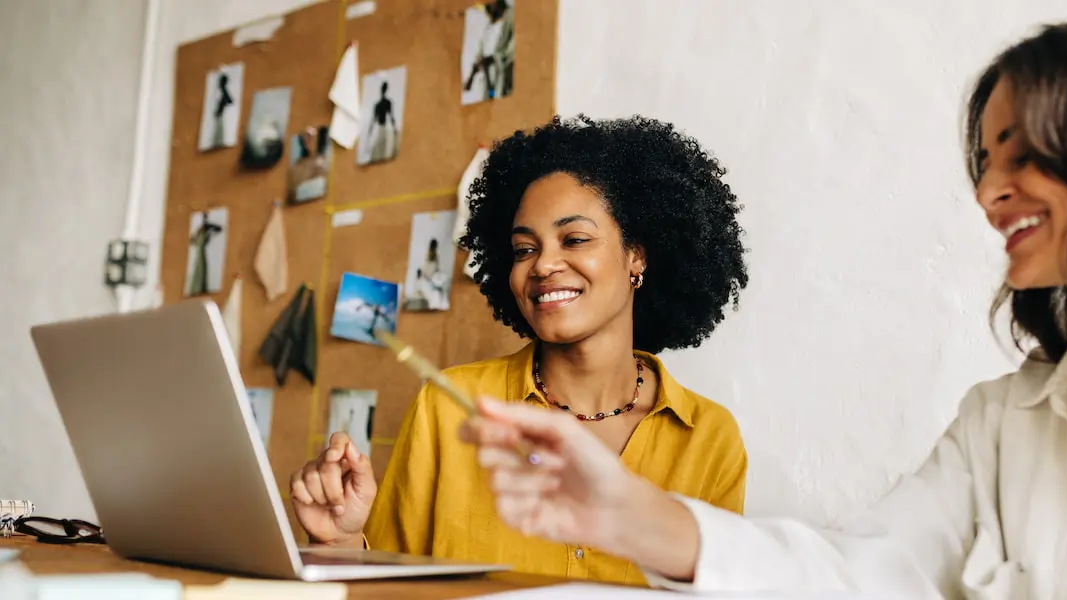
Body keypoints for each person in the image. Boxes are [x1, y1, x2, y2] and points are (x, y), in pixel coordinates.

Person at [460, 17, 1067, 599]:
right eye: (985, 163)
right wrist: (638, 518)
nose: (986, 194)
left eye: (1018, 154)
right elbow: (862, 572)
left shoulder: (710, 433)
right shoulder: (1002, 424)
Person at [290, 114, 751, 586]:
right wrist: (342, 543)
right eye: (524, 249)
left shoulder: (709, 438)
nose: (544, 264)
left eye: (574, 239)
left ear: (637, 254)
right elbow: (393, 590)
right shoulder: (447, 407)